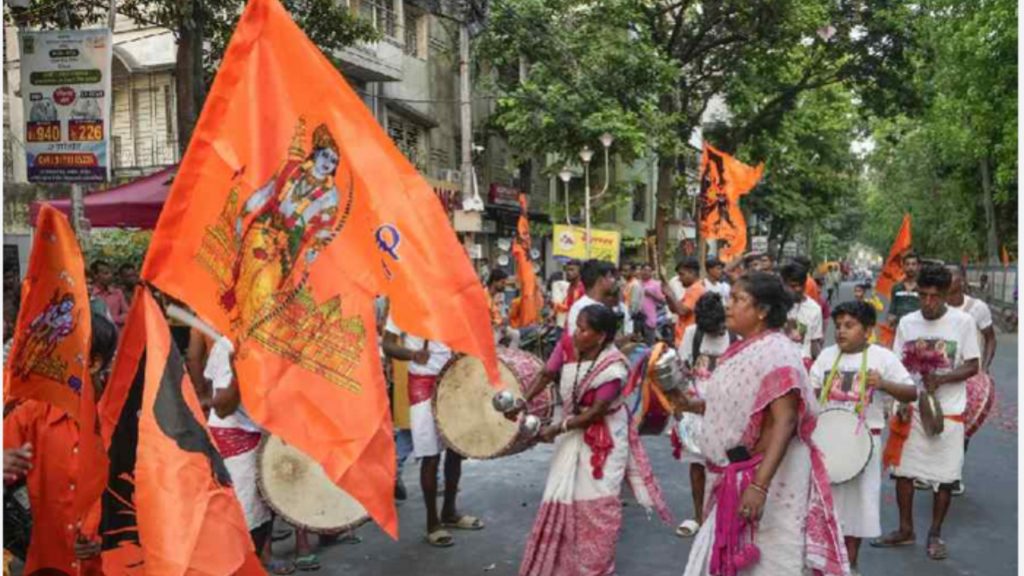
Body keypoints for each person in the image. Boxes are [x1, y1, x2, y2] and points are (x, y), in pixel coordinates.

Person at [672, 273, 849, 576]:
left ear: (763, 310)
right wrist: (691, 405)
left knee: (772, 560)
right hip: (737, 472)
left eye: (738, 300)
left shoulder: (777, 351)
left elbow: (786, 420)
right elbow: (742, 403)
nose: (728, 307)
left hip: (771, 478)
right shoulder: (745, 348)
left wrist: (759, 486)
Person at [517, 305, 670, 576]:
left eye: (583, 329)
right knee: (567, 500)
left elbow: (596, 412)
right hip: (572, 434)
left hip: (606, 441)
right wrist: (521, 402)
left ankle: (595, 569)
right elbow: (545, 375)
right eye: (576, 326)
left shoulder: (613, 367)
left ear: (600, 337)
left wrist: (557, 428)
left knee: (598, 506)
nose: (576, 333)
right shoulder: (567, 345)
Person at [871, 265, 980, 561]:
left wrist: (943, 379)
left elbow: (973, 365)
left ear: (947, 294)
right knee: (903, 472)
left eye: (935, 296)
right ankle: (906, 530)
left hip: (949, 412)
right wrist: (901, 401)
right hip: (912, 408)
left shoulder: (964, 322)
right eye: (924, 295)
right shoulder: (907, 323)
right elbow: (897, 365)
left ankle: (935, 533)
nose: (929, 302)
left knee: (944, 477)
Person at [3, 312, 118, 576]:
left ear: (94, 363)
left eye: (65, 351)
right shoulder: (32, 414)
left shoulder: (123, 418)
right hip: (48, 563)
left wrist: (102, 536)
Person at [809, 301, 917, 575]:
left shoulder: (882, 357)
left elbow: (911, 392)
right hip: (826, 446)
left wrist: (883, 384)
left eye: (849, 326)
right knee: (823, 506)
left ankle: (850, 565)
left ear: (868, 330)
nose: (841, 332)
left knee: (857, 509)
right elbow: (810, 393)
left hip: (863, 447)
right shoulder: (826, 356)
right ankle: (822, 562)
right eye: (838, 327)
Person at [382, 315, 483, 548]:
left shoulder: (449, 301)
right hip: (422, 383)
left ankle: (450, 511)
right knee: (430, 455)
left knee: (455, 450)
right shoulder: (402, 304)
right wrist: (412, 355)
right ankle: (432, 523)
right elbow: (387, 345)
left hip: (453, 379)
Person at [673, 292, 733, 539]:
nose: (717, 333)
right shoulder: (692, 334)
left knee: (725, 466)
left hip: (727, 414)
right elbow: (682, 371)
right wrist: (682, 405)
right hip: (695, 413)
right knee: (697, 466)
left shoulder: (736, 336)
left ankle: (722, 517)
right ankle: (699, 516)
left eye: (719, 328)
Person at [944, 266, 996, 497]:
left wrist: (983, 369)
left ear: (962, 281)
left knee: (961, 428)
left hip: (968, 376)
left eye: (952, 276)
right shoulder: (938, 306)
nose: (948, 280)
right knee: (937, 423)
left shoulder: (977, 308)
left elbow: (990, 339)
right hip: (943, 375)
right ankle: (934, 472)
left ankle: (953, 475)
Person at [780, 262, 824, 365]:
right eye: (793, 286)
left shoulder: (814, 309)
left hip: (803, 366)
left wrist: (822, 363)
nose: (798, 289)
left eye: (802, 285)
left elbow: (814, 342)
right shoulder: (775, 305)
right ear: (783, 284)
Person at [663, 257, 705, 346]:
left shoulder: (696, 289)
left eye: (682, 274)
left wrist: (670, 294)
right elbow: (675, 310)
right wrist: (667, 295)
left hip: (688, 340)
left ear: (692, 273)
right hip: (683, 338)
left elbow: (682, 311)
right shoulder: (691, 289)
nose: (679, 279)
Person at [887, 252, 922, 331]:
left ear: (919, 266)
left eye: (913, 264)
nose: (910, 267)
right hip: (899, 330)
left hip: (918, 331)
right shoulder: (896, 287)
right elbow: (892, 310)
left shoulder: (924, 288)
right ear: (903, 267)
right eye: (907, 264)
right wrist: (890, 318)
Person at [90, 260, 130, 329]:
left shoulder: (117, 293)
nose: (110, 276)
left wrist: (111, 319)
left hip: (117, 335)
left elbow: (127, 314)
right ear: (95, 275)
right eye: (106, 273)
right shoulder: (89, 295)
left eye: (110, 273)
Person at [487, 269, 521, 349]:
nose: (504, 285)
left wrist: (504, 324)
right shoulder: (483, 295)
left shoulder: (501, 295)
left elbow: (502, 313)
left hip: (500, 327)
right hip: (489, 329)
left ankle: (509, 357)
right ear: (494, 281)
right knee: (494, 341)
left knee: (516, 334)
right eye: (502, 282)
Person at [638, 262, 667, 345]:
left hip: (649, 319)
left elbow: (663, 301)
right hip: (636, 319)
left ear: (651, 272)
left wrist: (652, 295)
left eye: (648, 270)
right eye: (644, 270)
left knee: (650, 345)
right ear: (640, 271)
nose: (646, 272)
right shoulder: (636, 283)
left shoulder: (656, 284)